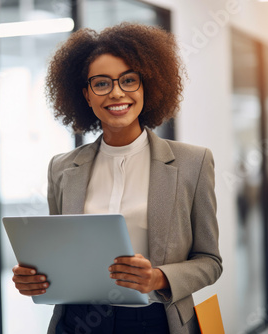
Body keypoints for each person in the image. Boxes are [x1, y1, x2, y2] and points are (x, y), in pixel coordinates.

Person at [12, 22, 222, 334]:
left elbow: (210, 261)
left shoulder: (193, 162)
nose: (116, 93)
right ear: (86, 94)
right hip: (78, 322)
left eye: (128, 80)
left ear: (145, 86)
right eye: (101, 83)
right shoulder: (62, 168)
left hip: (154, 322)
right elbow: (60, 254)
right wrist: (35, 278)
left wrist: (158, 278)